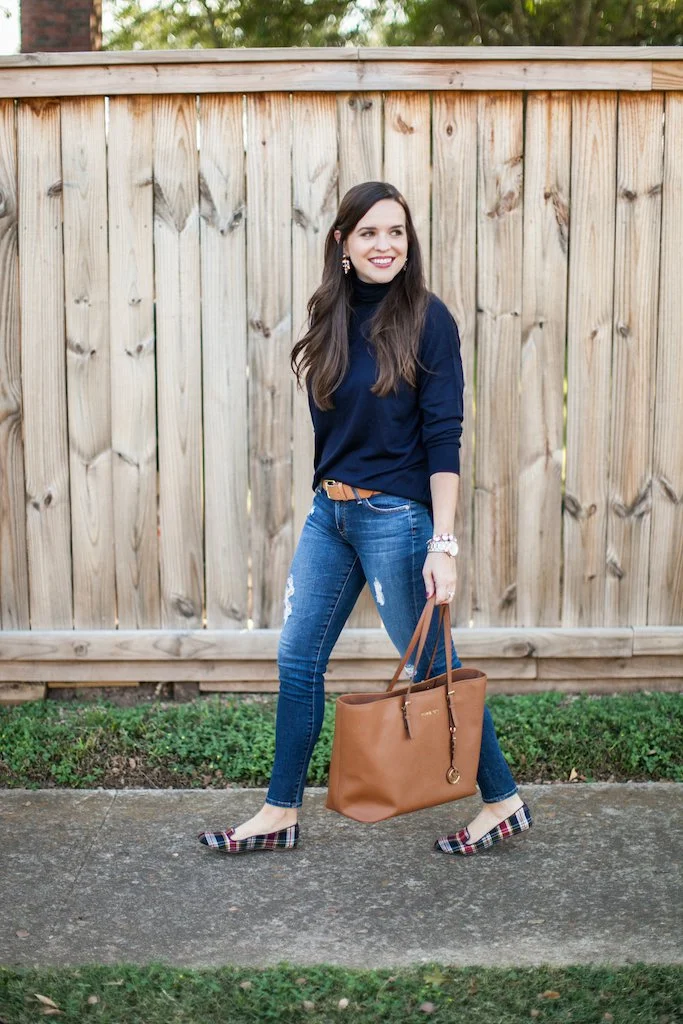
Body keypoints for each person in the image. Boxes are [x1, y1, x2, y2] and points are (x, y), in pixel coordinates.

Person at [198, 181, 532, 856]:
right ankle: (279, 813)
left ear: (409, 243)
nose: (385, 245)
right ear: (342, 243)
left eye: (396, 232)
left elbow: (444, 437)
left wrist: (442, 543)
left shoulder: (428, 319)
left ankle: (502, 800)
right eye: (369, 233)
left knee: (434, 667)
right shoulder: (331, 314)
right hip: (331, 514)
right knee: (297, 659)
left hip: (395, 520)